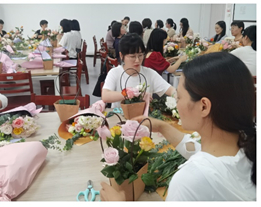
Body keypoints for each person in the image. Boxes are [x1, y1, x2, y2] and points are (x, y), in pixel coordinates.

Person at [102, 52, 256, 201]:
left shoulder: (189, 181)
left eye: (179, 97)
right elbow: (203, 154)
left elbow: (205, 169)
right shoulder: (247, 143)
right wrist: (163, 127)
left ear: (204, 106)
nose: (176, 103)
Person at [102, 34, 176, 107]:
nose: (137, 60)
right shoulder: (115, 73)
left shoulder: (149, 73)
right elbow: (105, 96)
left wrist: (177, 96)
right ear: (121, 56)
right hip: (120, 114)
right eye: (132, 56)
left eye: (140, 55)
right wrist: (132, 94)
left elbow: (171, 90)